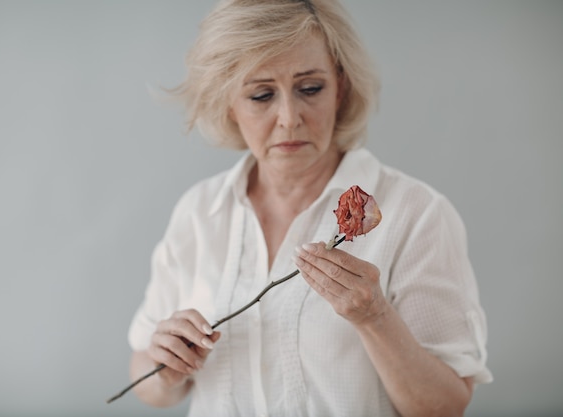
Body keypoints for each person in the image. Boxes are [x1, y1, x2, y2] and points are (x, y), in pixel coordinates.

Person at [127, 0, 492, 416]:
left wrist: (375, 318)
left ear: (341, 87)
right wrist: (166, 370)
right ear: (228, 101)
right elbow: (149, 385)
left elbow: (444, 407)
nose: (289, 117)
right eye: (261, 94)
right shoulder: (199, 212)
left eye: (310, 88)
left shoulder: (416, 213)